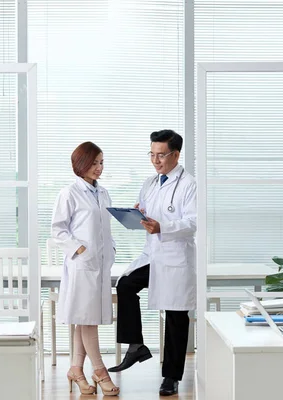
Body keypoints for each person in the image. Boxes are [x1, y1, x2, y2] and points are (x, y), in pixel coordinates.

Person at [108, 130, 197, 396]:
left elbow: (193, 223)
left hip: (176, 258)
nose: (155, 160)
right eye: (152, 154)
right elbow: (147, 215)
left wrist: (163, 226)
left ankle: (171, 377)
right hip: (154, 255)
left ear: (176, 155)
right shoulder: (149, 183)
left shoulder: (190, 184)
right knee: (125, 285)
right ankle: (136, 345)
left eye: (161, 155)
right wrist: (139, 216)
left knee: (176, 315)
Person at [51, 141, 120, 396]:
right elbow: (58, 229)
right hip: (81, 266)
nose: (98, 167)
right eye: (93, 162)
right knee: (88, 320)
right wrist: (80, 250)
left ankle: (76, 370)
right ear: (81, 164)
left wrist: (110, 250)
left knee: (85, 318)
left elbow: (106, 228)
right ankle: (100, 371)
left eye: (101, 162)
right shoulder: (69, 193)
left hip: (100, 264)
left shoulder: (103, 194)